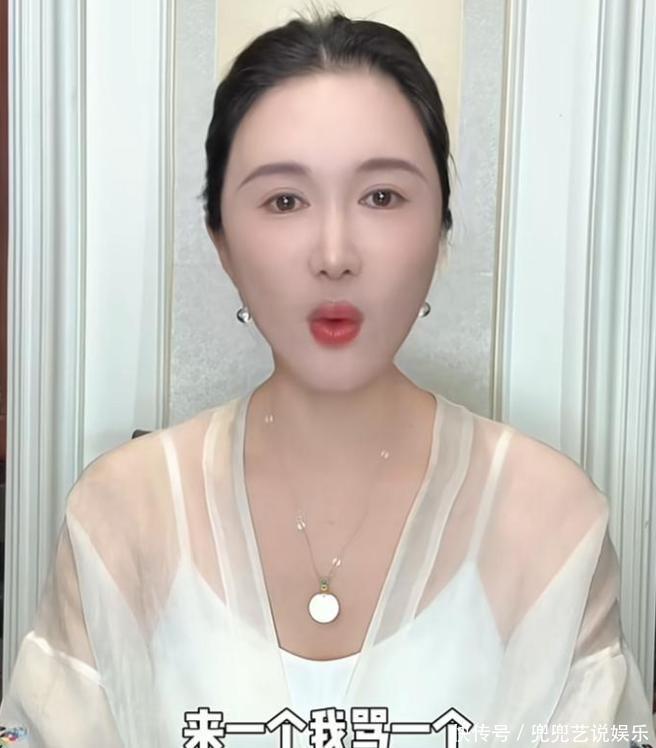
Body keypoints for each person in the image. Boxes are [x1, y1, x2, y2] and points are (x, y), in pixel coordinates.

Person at [1, 8, 654, 748]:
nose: (335, 255)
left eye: (382, 197)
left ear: (440, 228)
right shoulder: (122, 516)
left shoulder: (552, 523)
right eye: (285, 201)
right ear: (221, 240)